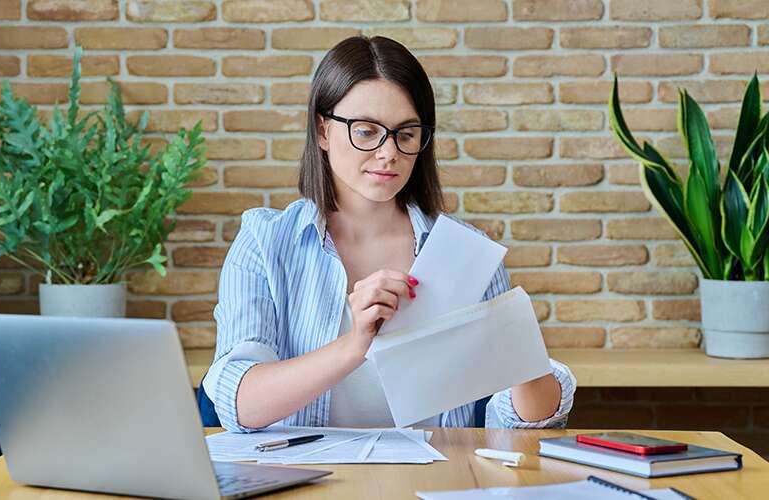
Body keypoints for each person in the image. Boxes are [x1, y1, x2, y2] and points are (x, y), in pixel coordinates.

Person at [202, 36, 576, 433]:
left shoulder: (464, 253)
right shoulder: (265, 242)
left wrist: (524, 356)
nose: (388, 153)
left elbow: (513, 428)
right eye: (366, 131)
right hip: (308, 483)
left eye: (406, 134)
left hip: (434, 483)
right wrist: (354, 344)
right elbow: (237, 405)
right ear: (323, 131)